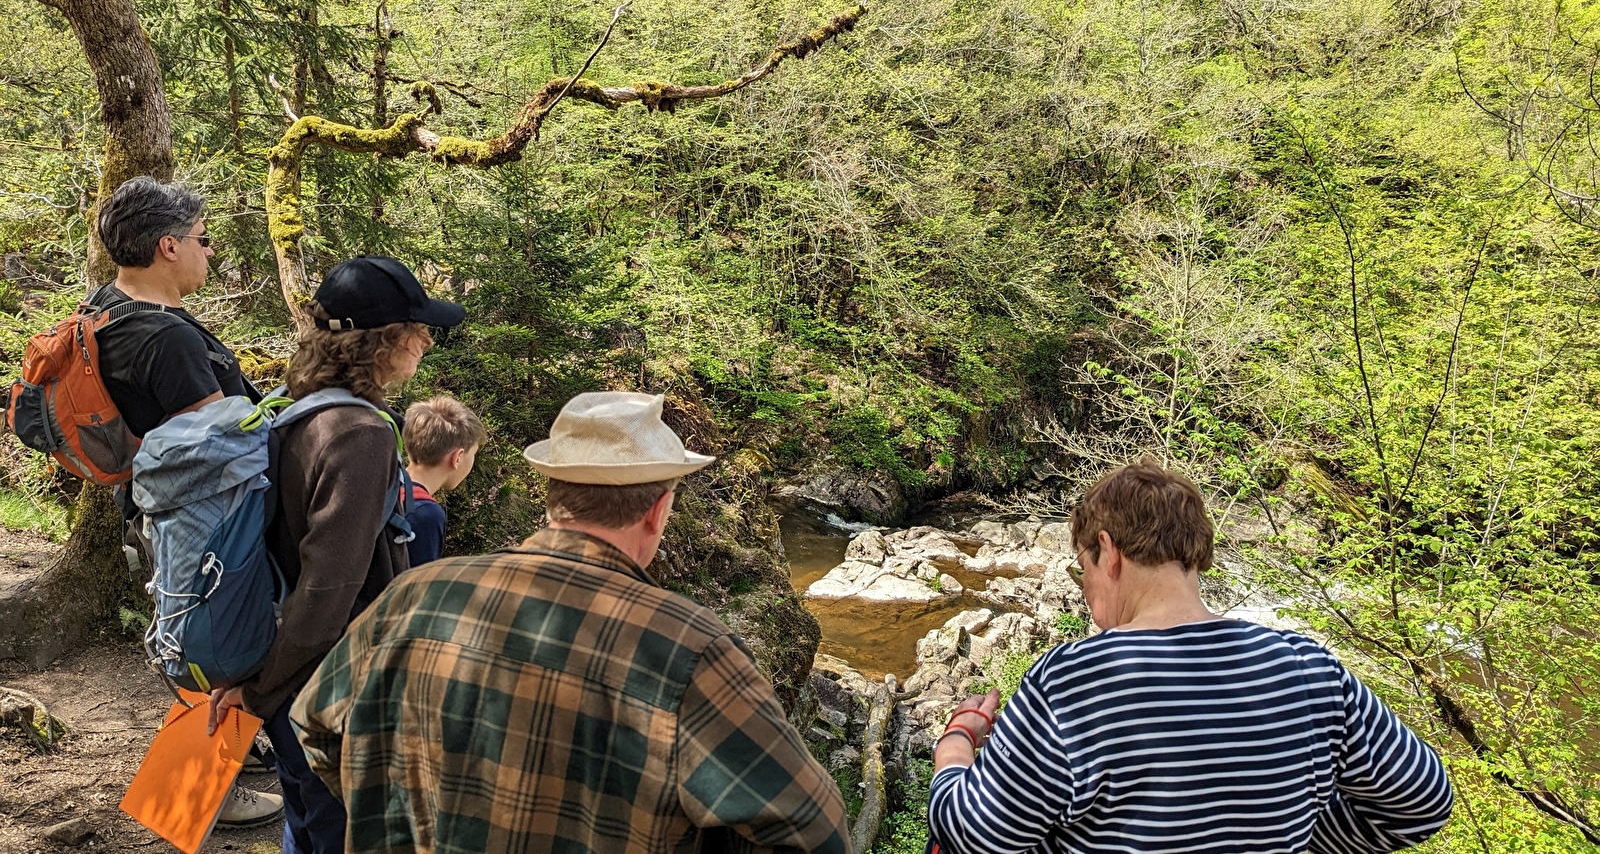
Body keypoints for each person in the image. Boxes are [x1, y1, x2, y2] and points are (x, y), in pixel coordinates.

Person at [292, 392, 852, 854]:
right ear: (657, 511)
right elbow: (813, 831)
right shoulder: (688, 646)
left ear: (553, 495)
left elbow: (315, 727)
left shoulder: (411, 595)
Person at [927, 460, 1454, 854]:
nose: (1085, 585)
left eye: (1082, 566)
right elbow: (1424, 801)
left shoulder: (1072, 682)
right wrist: (1304, 838)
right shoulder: (1310, 668)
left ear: (1108, 552)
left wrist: (956, 744)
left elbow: (974, 837)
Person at [208, 255, 465, 854]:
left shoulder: (296, 412)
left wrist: (258, 681)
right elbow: (330, 587)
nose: (427, 340)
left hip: (289, 674)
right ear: (380, 340)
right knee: (344, 834)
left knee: (306, 825)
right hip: (329, 694)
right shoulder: (361, 433)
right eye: (417, 328)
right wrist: (261, 690)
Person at [91, 176, 282, 828]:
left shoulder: (106, 308)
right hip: (204, 515)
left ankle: (219, 765)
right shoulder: (162, 339)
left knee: (194, 635)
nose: (212, 250)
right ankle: (197, 797)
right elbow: (224, 440)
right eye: (203, 239)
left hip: (160, 511)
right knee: (209, 642)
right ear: (168, 246)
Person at [399, 395, 485, 567]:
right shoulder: (425, 514)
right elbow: (416, 587)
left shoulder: (382, 483)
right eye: (473, 454)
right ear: (457, 457)